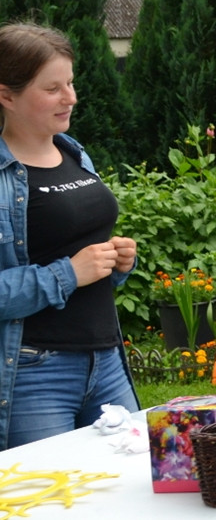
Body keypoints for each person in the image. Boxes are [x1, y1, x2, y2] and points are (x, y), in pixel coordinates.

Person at [0, 23, 139, 451]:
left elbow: (78, 250)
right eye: (53, 88)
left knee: (133, 495)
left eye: (71, 83)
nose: (71, 98)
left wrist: (117, 264)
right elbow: (68, 267)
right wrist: (68, 274)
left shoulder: (75, 152)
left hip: (107, 360)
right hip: (34, 374)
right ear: (6, 95)